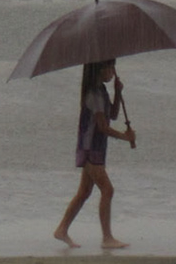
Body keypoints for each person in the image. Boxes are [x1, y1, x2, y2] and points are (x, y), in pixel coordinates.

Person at [54, 59, 136, 250]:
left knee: (84, 192)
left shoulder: (102, 92)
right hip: (90, 148)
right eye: (110, 67)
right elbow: (102, 127)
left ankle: (62, 229)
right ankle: (107, 238)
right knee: (108, 190)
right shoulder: (93, 94)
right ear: (100, 70)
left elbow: (113, 115)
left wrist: (118, 92)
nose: (113, 71)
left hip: (96, 148)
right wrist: (125, 137)